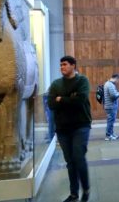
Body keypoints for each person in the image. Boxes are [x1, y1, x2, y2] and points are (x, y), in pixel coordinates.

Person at [48, 56, 91, 202]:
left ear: (73, 65)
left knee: (78, 157)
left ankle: (86, 189)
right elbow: (51, 104)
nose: (62, 67)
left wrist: (61, 99)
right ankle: (74, 194)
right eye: (60, 65)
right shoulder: (55, 84)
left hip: (81, 125)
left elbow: (80, 100)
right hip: (63, 129)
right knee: (70, 162)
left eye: (65, 64)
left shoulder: (82, 81)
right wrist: (69, 98)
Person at [103, 73, 119, 141]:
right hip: (111, 106)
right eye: (118, 80)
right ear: (116, 78)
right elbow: (113, 96)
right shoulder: (110, 85)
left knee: (111, 121)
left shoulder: (108, 84)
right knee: (110, 121)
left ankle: (111, 133)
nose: (118, 82)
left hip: (110, 106)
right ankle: (108, 136)